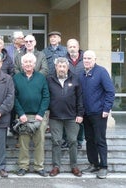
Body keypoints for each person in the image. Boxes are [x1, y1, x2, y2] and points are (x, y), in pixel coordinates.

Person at [80, 50, 115, 179]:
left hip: (99, 113)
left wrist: (106, 109)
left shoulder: (101, 72)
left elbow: (110, 91)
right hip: (86, 114)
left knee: (100, 140)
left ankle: (104, 166)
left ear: (95, 59)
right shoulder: (82, 74)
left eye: (89, 58)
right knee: (89, 140)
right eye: (85, 58)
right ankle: (94, 164)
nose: (87, 60)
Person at [13, 53, 50, 177]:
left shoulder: (41, 77)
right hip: (23, 116)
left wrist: (40, 113)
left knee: (40, 142)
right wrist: (20, 113)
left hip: (38, 116)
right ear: (22, 65)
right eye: (26, 62)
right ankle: (23, 166)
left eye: (30, 62)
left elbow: (46, 96)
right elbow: (14, 98)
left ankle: (39, 167)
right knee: (23, 142)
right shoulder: (16, 77)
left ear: (34, 64)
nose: (28, 64)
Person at [47, 57, 84, 177]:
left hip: (72, 116)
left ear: (67, 67)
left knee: (73, 141)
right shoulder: (49, 79)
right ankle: (56, 166)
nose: (61, 69)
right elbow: (46, 98)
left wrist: (80, 114)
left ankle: (74, 166)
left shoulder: (75, 79)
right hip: (54, 116)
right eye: (59, 66)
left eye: (64, 66)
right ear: (56, 67)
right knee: (56, 141)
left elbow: (80, 98)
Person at [61, 39, 85, 149]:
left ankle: (79, 140)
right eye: (70, 46)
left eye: (74, 46)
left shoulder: (85, 59)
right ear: (67, 48)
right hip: (68, 92)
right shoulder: (63, 59)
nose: (72, 48)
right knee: (66, 117)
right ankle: (65, 140)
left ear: (78, 47)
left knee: (80, 117)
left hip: (82, 91)